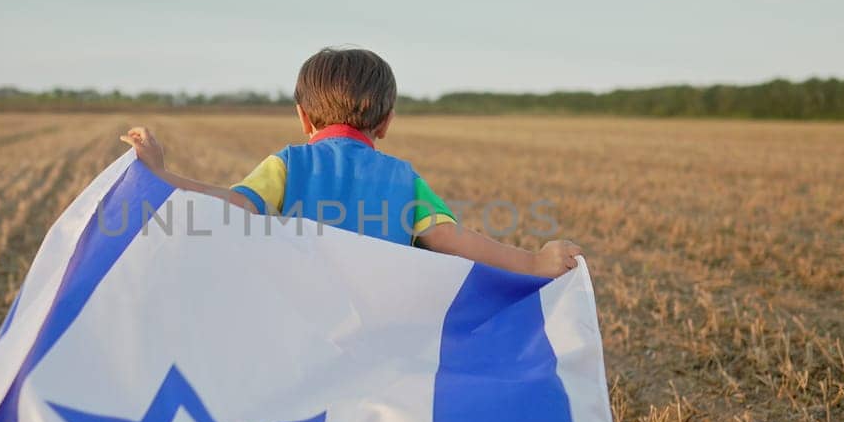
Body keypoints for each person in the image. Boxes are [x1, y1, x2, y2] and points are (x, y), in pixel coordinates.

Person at [121, 46, 582, 279]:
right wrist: (533, 262)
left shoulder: (287, 166)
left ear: (303, 117)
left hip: (297, 328)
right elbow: (452, 239)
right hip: (384, 337)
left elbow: (232, 204)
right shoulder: (405, 179)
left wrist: (161, 175)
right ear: (386, 123)